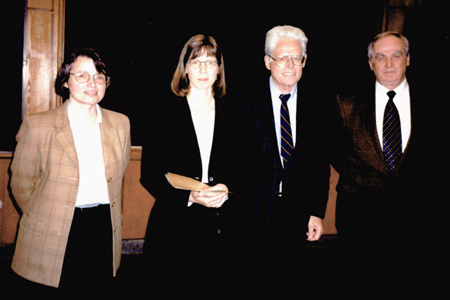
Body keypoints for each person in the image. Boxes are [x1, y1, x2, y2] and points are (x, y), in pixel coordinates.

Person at [331, 32, 448, 296]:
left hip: (420, 223)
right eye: (380, 57)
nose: (389, 64)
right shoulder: (347, 103)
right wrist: (363, 177)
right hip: (360, 221)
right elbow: (335, 151)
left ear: (408, 58)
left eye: (396, 55)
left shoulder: (436, 102)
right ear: (370, 63)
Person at [10, 48, 131, 296]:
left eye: (99, 76)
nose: (92, 83)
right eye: (82, 76)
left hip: (102, 228)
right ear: (65, 81)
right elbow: (21, 185)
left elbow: (119, 177)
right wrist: (46, 215)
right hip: (54, 228)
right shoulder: (38, 125)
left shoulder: (121, 123)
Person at [140, 34, 241, 298]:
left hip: (223, 225)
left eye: (210, 61)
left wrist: (228, 186)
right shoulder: (162, 110)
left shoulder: (236, 111)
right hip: (175, 226)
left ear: (219, 68)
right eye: (196, 62)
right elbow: (149, 173)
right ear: (185, 67)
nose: (204, 69)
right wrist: (188, 197)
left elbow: (247, 165)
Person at [236, 25, 330, 297]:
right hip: (250, 215)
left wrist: (316, 211)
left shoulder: (318, 103)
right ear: (268, 62)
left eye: (297, 57)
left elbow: (319, 164)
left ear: (304, 61)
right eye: (282, 58)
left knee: (289, 284)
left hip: (295, 216)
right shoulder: (244, 99)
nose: (290, 65)